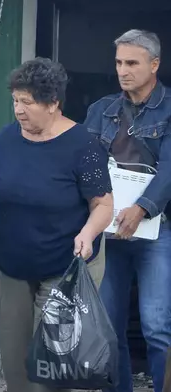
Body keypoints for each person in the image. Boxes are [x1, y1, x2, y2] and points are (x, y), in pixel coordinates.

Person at [0, 58, 114, 392]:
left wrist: (88, 232)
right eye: (15, 100)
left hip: (63, 267)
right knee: (14, 360)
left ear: (53, 103)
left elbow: (103, 204)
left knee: (51, 366)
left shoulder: (83, 145)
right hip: (13, 265)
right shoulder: (8, 138)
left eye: (27, 102)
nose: (18, 110)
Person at [84, 29, 171, 392]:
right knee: (108, 324)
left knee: (157, 325)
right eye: (119, 62)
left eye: (132, 62)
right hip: (108, 230)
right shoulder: (100, 110)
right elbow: (85, 164)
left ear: (154, 64)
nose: (123, 70)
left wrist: (143, 207)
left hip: (157, 230)